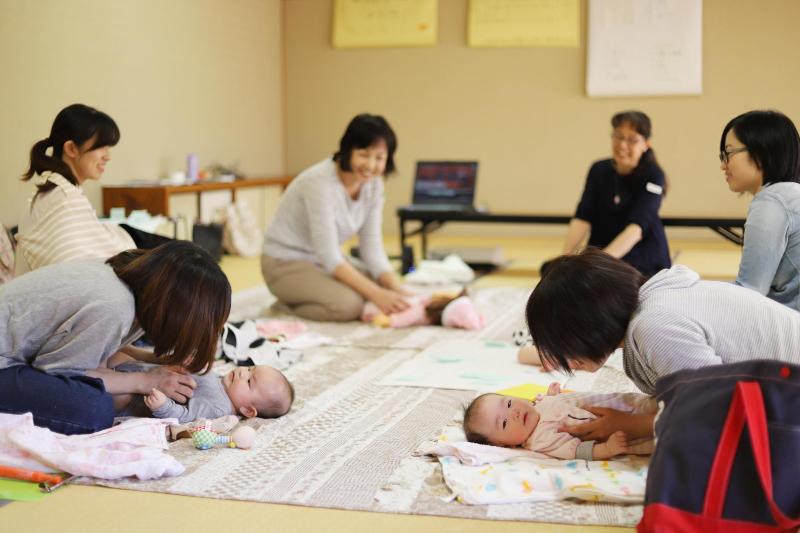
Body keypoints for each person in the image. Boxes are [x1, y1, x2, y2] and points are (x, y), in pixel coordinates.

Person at [523, 248, 800, 442]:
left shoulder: (654, 327)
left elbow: (718, 407)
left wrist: (633, 425)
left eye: (565, 348)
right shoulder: (660, 298)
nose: (569, 362)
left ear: (586, 325)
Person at [0, 241, 231, 434]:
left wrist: (153, 360)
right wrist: (148, 380)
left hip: (17, 353)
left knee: (106, 389)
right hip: (6, 363)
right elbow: (58, 371)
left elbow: (97, 350)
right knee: (94, 410)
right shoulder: (115, 307)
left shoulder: (139, 290)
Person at [261, 114, 409, 322]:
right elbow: (329, 254)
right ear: (347, 150)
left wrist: (395, 288)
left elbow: (372, 247)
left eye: (379, 158)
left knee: (379, 283)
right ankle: (286, 306)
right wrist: (376, 294)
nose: (370, 165)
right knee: (349, 306)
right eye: (364, 154)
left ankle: (315, 294)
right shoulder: (319, 183)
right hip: (284, 263)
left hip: (320, 261)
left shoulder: (374, 186)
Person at [15, 103, 169, 276]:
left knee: (174, 253)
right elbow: (78, 273)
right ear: (71, 149)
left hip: (126, 238)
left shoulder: (61, 189)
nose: (107, 156)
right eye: (101, 147)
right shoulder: (61, 199)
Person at [548, 111, 670, 277]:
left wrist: (599, 265)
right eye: (618, 137)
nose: (622, 145)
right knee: (552, 271)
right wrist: (565, 259)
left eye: (632, 140)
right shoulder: (599, 169)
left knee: (608, 283)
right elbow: (582, 217)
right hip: (601, 249)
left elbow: (637, 228)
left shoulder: (654, 175)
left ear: (645, 144)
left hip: (641, 254)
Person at [720, 110, 800, 310]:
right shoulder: (791, 194)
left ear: (762, 152)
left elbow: (750, 292)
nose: (723, 165)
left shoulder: (772, 201)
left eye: (728, 153)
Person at [463, 383, 655, 460]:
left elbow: (551, 405)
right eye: (504, 423)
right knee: (660, 435)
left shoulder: (537, 405)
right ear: (505, 445)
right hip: (624, 433)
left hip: (619, 404)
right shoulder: (541, 439)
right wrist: (608, 449)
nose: (513, 413)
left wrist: (552, 396)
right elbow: (577, 451)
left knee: (655, 404)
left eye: (509, 403)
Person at [113, 360, 294, 423]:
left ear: (247, 410)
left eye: (248, 381)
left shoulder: (219, 408)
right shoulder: (222, 383)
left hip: (137, 396)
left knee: (120, 397)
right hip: (146, 372)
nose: (242, 371)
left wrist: (163, 406)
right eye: (250, 368)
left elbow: (186, 417)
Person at [360, 290, 485, 330]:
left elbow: (398, 320)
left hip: (373, 307)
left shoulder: (420, 311)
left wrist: (384, 319)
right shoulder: (427, 304)